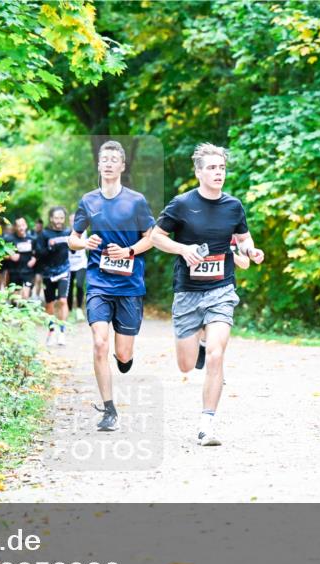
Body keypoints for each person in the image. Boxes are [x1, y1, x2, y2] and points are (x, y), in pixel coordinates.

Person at [152, 143, 263, 447]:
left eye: (222, 168)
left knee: (217, 355)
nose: (218, 173)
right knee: (186, 365)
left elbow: (242, 239)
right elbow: (156, 237)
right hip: (187, 292)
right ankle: (197, 343)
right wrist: (182, 248)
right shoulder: (182, 204)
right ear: (198, 171)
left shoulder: (233, 206)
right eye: (212, 168)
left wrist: (250, 250)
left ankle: (206, 425)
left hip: (221, 290)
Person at [68, 140, 156, 431]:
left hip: (129, 285)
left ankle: (124, 359)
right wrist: (84, 242)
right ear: (99, 165)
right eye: (103, 159)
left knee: (123, 353)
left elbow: (150, 237)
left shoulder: (136, 201)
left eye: (113, 159)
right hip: (98, 283)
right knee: (98, 343)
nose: (107, 163)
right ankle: (109, 410)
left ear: (121, 166)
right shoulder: (88, 201)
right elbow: (73, 238)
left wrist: (129, 251)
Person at [35, 206, 72, 345]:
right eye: (56, 218)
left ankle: (62, 332)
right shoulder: (44, 234)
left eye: (61, 218)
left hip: (64, 270)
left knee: (63, 301)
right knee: (49, 303)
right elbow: (39, 254)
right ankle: (51, 331)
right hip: (48, 272)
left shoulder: (68, 232)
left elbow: (73, 250)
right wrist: (49, 247)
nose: (59, 221)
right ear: (51, 218)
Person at [4, 217, 36, 300]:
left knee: (25, 297)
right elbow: (1, 255)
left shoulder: (32, 239)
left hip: (27, 272)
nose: (21, 228)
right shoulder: (9, 239)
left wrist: (34, 259)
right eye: (19, 226)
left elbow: (38, 253)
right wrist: (10, 256)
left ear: (26, 226)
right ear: (15, 227)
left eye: (23, 225)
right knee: (15, 300)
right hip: (14, 272)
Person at [68, 241, 88, 321]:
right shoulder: (67, 234)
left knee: (79, 285)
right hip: (69, 266)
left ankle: (79, 309)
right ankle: (70, 310)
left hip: (81, 264)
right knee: (69, 289)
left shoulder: (83, 233)